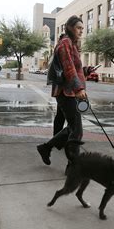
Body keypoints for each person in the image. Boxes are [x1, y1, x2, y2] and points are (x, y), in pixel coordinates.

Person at [37, 16, 95, 166]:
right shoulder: (65, 44)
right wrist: (79, 88)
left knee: (71, 128)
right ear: (70, 28)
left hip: (70, 92)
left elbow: (74, 69)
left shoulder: (71, 45)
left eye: (82, 28)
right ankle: (74, 165)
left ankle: (46, 148)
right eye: (78, 28)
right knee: (77, 131)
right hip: (67, 93)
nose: (81, 31)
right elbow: (68, 68)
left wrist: (85, 71)